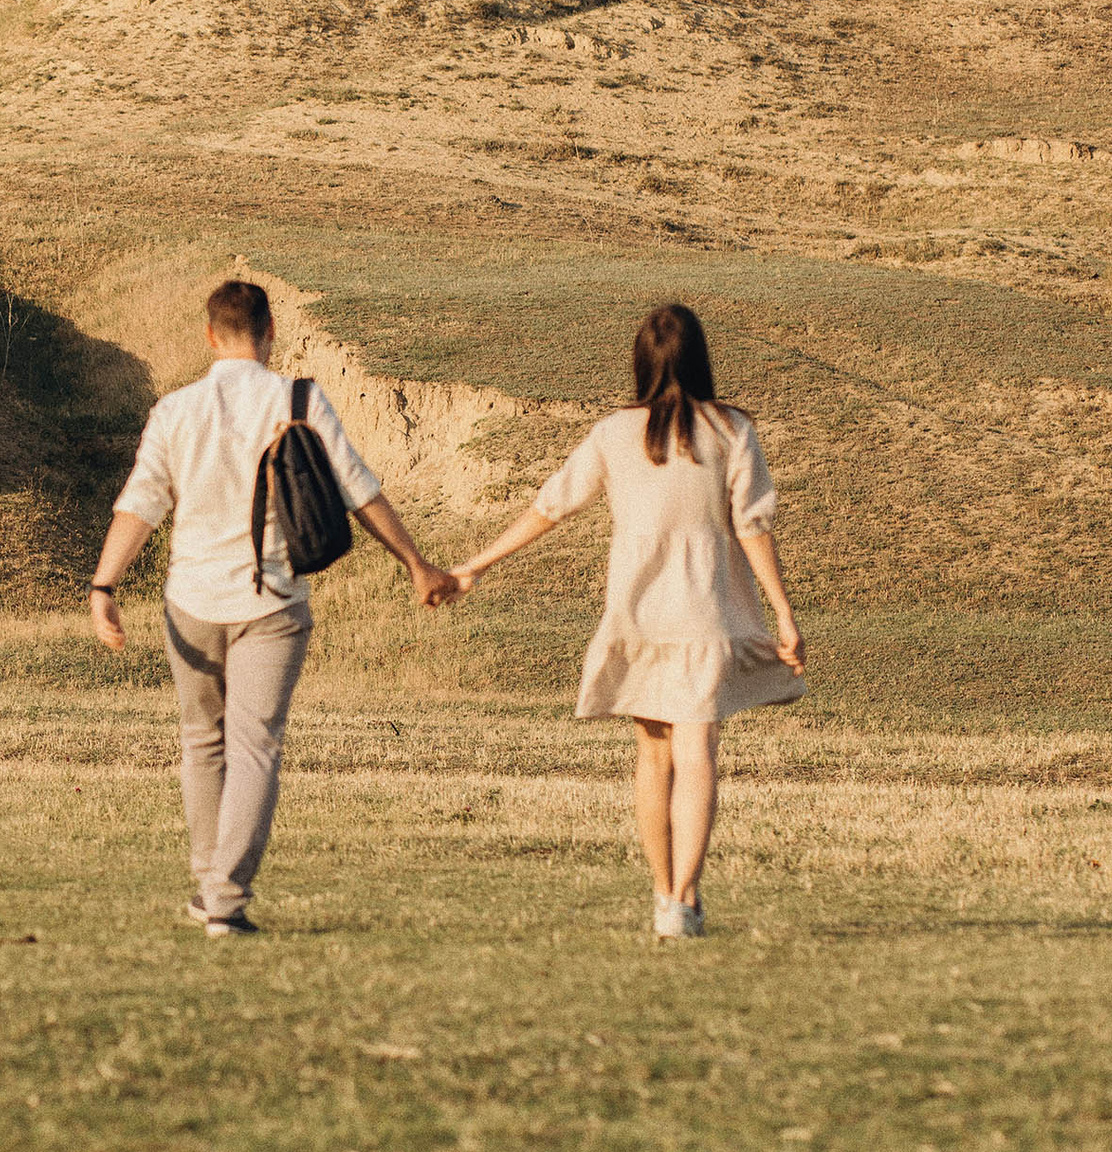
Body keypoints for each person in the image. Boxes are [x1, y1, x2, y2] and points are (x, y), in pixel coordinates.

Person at [88, 280, 458, 939]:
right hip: (272, 600)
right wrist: (415, 562)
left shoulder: (175, 409)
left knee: (202, 743)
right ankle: (222, 899)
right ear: (270, 332)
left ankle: (211, 886)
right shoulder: (298, 398)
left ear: (209, 335)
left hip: (190, 602)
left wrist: (104, 586)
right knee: (254, 745)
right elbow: (358, 491)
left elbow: (139, 504)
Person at [449, 303, 806, 940]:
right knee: (699, 753)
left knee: (653, 755)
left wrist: (476, 564)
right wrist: (783, 612)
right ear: (701, 358)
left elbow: (549, 507)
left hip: (637, 617)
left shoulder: (614, 433)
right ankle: (685, 901)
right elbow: (753, 527)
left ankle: (665, 896)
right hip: (705, 617)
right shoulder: (730, 430)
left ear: (640, 362)